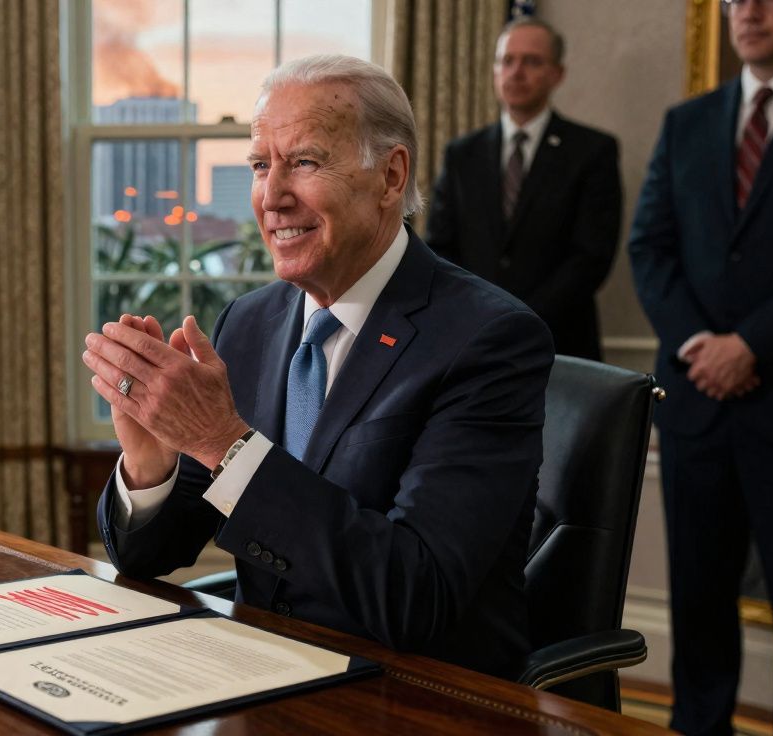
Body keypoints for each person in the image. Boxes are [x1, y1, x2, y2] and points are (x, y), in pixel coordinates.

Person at [83, 54, 554, 678]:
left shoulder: (488, 340)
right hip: (257, 680)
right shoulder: (247, 323)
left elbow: (415, 596)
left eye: (303, 162)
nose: (272, 197)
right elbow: (153, 555)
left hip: (415, 700)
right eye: (259, 166)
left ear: (390, 177)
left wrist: (220, 441)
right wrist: (152, 466)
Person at [630, 0, 773, 731]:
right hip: (697, 406)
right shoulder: (687, 122)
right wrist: (703, 344)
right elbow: (649, 248)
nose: (748, 11)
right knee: (698, 607)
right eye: (734, 0)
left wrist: (752, 345)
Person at [425, 17, 621, 361]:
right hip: (471, 340)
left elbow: (591, 258)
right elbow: (441, 247)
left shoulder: (592, 151)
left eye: (531, 61)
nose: (516, 72)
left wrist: (518, 319)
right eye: (507, 61)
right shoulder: (461, 154)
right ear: (494, 70)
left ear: (557, 74)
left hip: (560, 345)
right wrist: (480, 314)